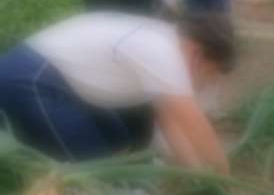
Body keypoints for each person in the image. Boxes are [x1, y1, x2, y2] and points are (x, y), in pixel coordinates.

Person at [0, 12, 233, 174]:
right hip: (30, 79)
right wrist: (224, 176)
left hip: (67, 82)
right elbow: (195, 127)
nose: (203, 84)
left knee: (120, 143)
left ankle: (119, 194)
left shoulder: (165, 40)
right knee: (97, 171)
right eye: (208, 75)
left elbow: (170, 122)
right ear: (197, 54)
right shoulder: (165, 53)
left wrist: (196, 174)